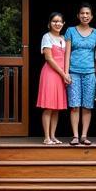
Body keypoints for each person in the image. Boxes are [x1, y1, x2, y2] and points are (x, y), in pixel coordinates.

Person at [64, 3, 96, 146]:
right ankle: (75, 136)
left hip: (90, 73)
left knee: (87, 105)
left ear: (91, 16)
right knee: (74, 105)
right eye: (82, 13)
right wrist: (66, 72)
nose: (85, 16)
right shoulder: (70, 31)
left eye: (87, 14)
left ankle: (84, 136)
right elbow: (67, 53)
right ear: (78, 15)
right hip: (73, 72)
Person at [37, 12, 70, 145]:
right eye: (54, 21)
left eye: (60, 21)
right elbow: (49, 58)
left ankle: (53, 136)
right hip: (50, 74)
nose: (57, 24)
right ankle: (46, 137)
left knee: (57, 108)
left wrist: (66, 74)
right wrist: (63, 74)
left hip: (61, 74)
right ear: (49, 23)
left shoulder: (64, 38)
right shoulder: (47, 37)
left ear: (63, 24)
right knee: (49, 106)